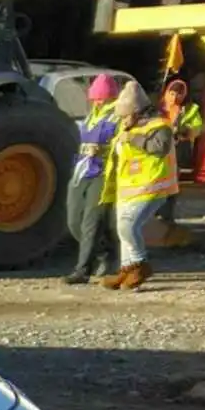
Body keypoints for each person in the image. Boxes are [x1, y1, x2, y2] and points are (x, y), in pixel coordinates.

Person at [102, 79, 179, 292]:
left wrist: (132, 139)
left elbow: (160, 147)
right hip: (129, 187)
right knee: (122, 229)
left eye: (126, 115)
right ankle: (126, 270)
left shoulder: (159, 125)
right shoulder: (128, 126)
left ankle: (139, 264)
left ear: (137, 111)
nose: (123, 119)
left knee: (128, 226)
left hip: (152, 185)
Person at [64, 74, 120, 284]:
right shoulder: (90, 117)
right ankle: (104, 252)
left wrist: (103, 150)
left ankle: (82, 270)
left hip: (103, 173)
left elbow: (123, 144)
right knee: (73, 220)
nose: (97, 101)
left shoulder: (117, 117)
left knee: (91, 222)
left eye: (101, 97)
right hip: (82, 170)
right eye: (95, 97)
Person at [154, 77, 205, 228]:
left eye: (179, 94)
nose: (175, 97)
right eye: (172, 93)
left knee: (171, 184)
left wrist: (184, 131)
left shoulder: (190, 109)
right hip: (157, 152)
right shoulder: (158, 108)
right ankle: (154, 213)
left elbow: (198, 128)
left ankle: (167, 215)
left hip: (176, 151)